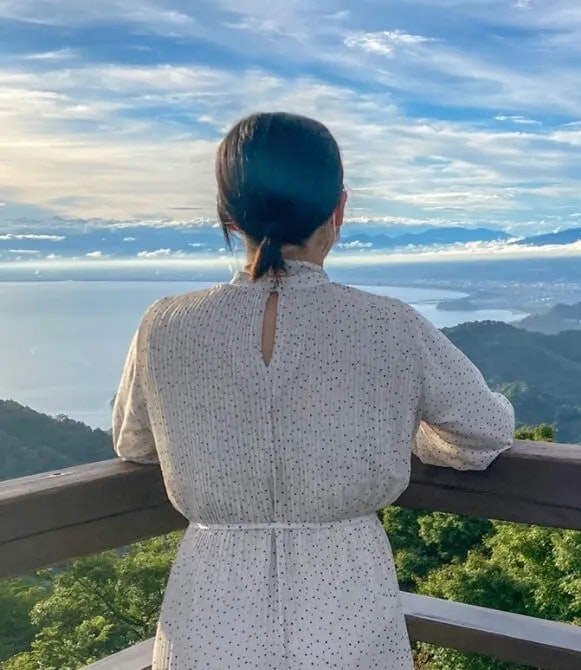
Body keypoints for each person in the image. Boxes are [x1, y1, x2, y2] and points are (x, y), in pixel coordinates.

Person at [110, 111, 515, 669]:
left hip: (209, 611)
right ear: (339, 209)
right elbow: (484, 432)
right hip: (349, 601)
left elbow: (134, 444)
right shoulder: (386, 324)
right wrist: (411, 434)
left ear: (228, 216)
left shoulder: (166, 325)